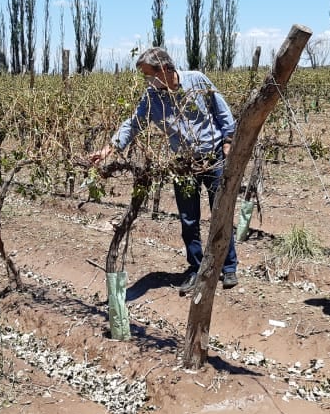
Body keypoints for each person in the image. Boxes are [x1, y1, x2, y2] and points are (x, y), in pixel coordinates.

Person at [88, 47, 240, 295]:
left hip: (212, 158)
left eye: (149, 75)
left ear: (166, 69)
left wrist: (228, 140)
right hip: (182, 162)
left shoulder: (197, 80)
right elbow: (134, 123)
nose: (147, 80)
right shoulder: (152, 97)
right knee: (188, 219)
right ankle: (196, 268)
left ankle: (228, 266)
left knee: (221, 212)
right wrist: (109, 149)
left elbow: (221, 110)